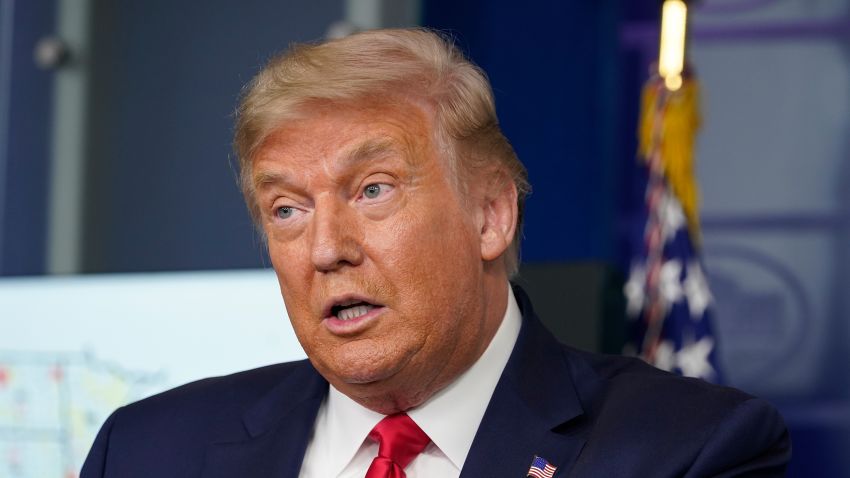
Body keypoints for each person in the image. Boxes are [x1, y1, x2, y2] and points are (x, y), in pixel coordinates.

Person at [81, 28, 790, 477]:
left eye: (373, 190)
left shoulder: (690, 450)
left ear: (491, 215)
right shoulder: (146, 451)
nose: (325, 249)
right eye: (287, 209)